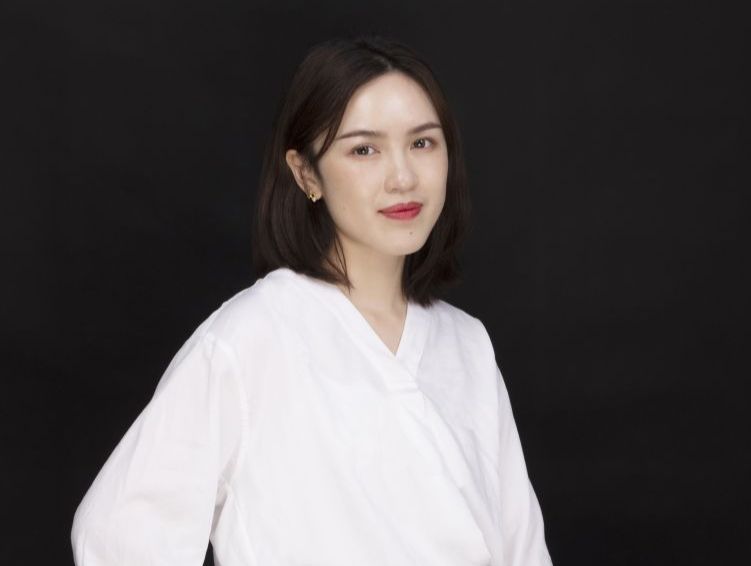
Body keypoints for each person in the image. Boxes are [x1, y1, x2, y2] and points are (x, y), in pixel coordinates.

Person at [70, 35, 553, 566]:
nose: (403, 177)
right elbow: (118, 537)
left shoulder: (467, 344)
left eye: (422, 143)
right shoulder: (251, 338)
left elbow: (523, 551)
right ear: (305, 173)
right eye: (364, 149)